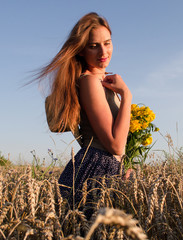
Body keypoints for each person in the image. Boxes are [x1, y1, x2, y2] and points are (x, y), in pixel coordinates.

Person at [37, 12, 132, 218]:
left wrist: (122, 167)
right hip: (95, 169)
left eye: (107, 43)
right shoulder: (89, 82)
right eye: (93, 45)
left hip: (106, 169)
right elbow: (115, 145)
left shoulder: (103, 83)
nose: (103, 51)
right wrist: (127, 96)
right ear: (80, 50)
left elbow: (117, 145)